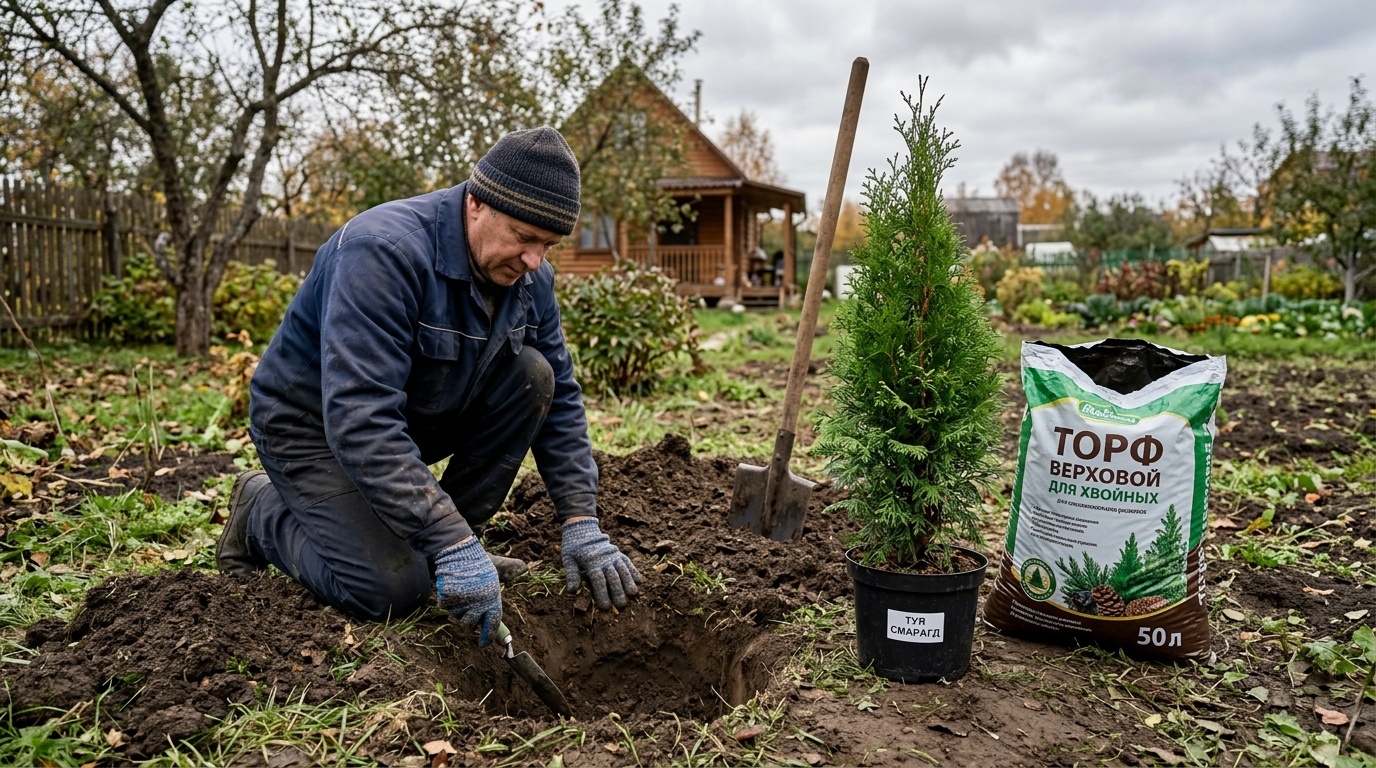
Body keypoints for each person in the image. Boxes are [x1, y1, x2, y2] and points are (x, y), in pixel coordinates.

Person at [215, 126, 642, 646]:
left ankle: (447, 548)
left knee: (533, 376)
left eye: (548, 245)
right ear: (477, 203)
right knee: (392, 592)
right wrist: (449, 541)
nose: (534, 260)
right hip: (313, 427)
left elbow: (561, 401)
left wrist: (580, 520)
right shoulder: (382, 252)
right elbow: (360, 417)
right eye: (523, 237)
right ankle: (259, 511)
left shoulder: (530, 279)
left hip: (413, 416)